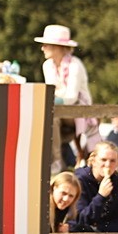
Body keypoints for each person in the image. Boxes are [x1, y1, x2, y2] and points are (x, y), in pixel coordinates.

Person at [35, 24, 99, 155]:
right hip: (60, 108)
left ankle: (55, 162)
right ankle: (51, 159)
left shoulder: (75, 65)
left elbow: (71, 98)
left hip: (80, 110)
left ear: (57, 47)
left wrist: (50, 100)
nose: (42, 48)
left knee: (51, 116)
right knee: (44, 115)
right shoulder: (47, 65)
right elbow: (52, 92)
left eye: (46, 45)